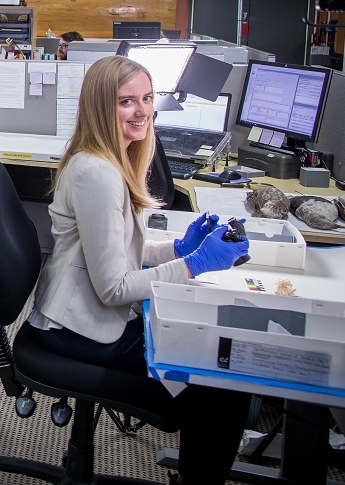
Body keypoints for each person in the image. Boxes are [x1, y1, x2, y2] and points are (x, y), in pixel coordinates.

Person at [27, 54, 251, 485]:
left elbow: (119, 248)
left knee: (213, 359)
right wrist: (195, 264)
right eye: (126, 101)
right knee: (220, 379)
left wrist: (178, 249)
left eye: (147, 98)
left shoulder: (110, 160)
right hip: (77, 326)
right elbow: (114, 288)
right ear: (99, 107)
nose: (143, 110)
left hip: (84, 312)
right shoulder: (97, 173)